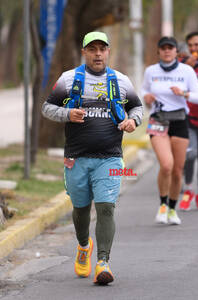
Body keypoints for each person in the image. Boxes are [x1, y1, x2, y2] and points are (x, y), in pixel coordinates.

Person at [42, 31, 143, 285]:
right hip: (76, 157)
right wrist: (67, 114)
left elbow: (136, 107)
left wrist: (133, 121)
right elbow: (47, 108)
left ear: (108, 51)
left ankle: (103, 263)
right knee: (81, 209)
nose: (98, 53)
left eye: (102, 49)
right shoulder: (68, 79)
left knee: (106, 208)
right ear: (84, 52)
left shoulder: (121, 80)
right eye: (92, 49)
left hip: (110, 157)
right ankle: (84, 245)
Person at [141, 36, 198, 225]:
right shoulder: (151, 71)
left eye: (170, 48)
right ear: (158, 51)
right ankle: (163, 205)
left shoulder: (186, 71)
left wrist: (184, 93)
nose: (167, 51)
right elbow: (143, 90)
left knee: (177, 170)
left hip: (180, 120)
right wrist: (147, 97)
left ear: (176, 51)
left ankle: (173, 209)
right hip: (158, 119)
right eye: (163, 48)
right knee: (166, 164)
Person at [178, 32, 198, 211]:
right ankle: (188, 190)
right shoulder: (182, 66)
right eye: (191, 45)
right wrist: (187, 67)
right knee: (190, 154)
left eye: (197, 45)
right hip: (188, 119)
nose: (193, 49)